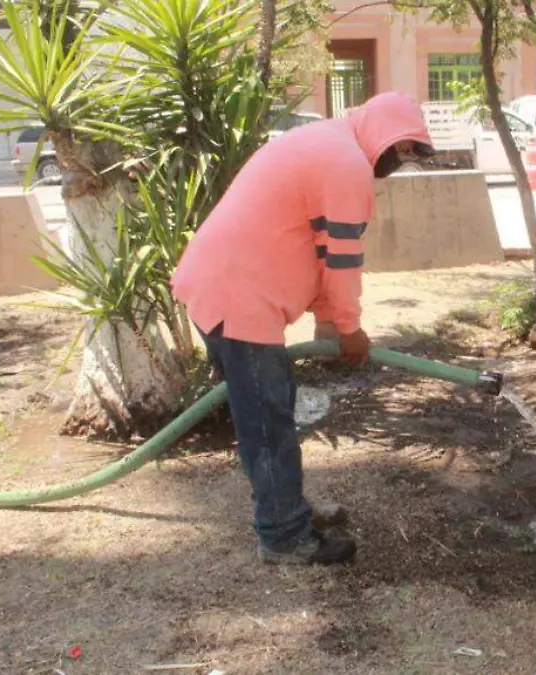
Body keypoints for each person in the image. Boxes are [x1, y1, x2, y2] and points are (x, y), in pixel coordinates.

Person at [170, 92, 436, 566]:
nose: (399, 160)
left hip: (227, 288)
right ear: (378, 132)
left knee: (268, 412)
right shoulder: (345, 163)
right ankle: (283, 535)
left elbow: (314, 244)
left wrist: (328, 320)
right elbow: (341, 258)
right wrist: (350, 330)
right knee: (268, 422)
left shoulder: (328, 144)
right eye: (399, 149)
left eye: (410, 153)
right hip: (238, 299)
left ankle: (285, 509)